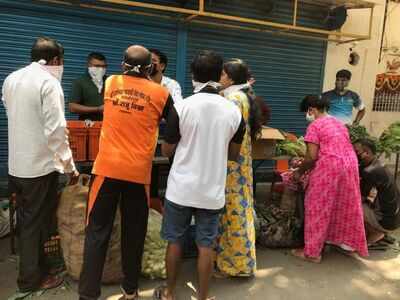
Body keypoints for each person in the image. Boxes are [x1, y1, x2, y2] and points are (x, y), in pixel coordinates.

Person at [78, 45, 173, 300]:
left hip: (106, 169)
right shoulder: (161, 93)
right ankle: (130, 291)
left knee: (97, 232)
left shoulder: (110, 83)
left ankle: (88, 295)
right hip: (138, 173)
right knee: (133, 233)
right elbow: (174, 127)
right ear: (152, 68)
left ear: (122, 65)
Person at [154, 50, 245, 300]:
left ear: (193, 75)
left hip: (181, 188)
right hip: (211, 191)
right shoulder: (234, 112)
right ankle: (203, 297)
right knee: (206, 244)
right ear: (219, 75)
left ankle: (170, 293)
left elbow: (167, 148)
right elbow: (233, 155)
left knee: (174, 241)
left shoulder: (181, 107)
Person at [2, 37, 78, 294]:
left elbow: (13, 111)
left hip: (16, 166)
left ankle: (43, 266)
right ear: (55, 60)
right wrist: (69, 166)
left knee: (32, 220)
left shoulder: (12, 79)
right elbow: (56, 130)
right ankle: (30, 280)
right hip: (38, 168)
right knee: (34, 223)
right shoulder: (49, 83)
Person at [291, 95, 368, 263]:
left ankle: (312, 253)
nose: (307, 115)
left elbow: (311, 157)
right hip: (350, 165)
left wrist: (298, 172)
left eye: (307, 111)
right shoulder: (338, 123)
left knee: (316, 205)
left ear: (311, 109)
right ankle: (345, 243)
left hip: (330, 167)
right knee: (344, 203)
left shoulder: (315, 125)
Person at [215, 59, 263, 277]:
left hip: (231, 165)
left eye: (222, 75)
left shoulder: (234, 99)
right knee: (238, 211)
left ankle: (236, 265)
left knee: (233, 214)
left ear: (231, 78)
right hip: (239, 164)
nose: (219, 79)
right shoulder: (243, 96)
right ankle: (238, 262)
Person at [354, 139, 400, 244]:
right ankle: (375, 231)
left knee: (351, 206)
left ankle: (375, 232)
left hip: (386, 221)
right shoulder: (378, 164)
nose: (354, 155)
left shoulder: (370, 171)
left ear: (367, 152)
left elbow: (361, 197)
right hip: (394, 219)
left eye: (356, 152)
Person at [69, 52, 107, 121]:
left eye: (104, 66)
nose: (101, 69)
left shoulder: (110, 81)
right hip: (88, 127)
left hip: (108, 126)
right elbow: (72, 107)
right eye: (97, 66)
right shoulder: (80, 82)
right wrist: (97, 109)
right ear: (88, 65)